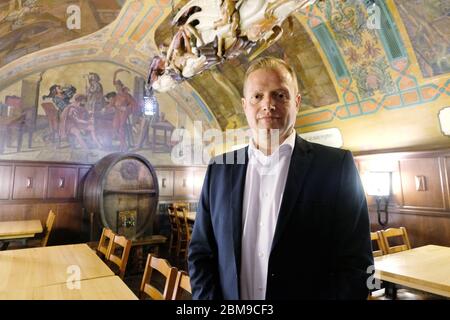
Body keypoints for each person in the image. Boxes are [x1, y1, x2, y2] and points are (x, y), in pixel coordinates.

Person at [188, 56, 373, 300]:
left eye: (280, 95)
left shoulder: (336, 168)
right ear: (245, 105)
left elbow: (356, 265)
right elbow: (201, 254)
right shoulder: (219, 169)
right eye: (257, 96)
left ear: (297, 102)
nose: (268, 104)